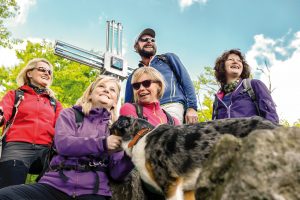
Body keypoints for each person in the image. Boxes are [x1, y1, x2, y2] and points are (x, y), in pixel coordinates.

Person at [0, 75, 134, 200]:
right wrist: (102, 143)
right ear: (90, 94)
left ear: (115, 102)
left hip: (93, 192)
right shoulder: (70, 114)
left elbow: (117, 173)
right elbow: (63, 144)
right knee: (5, 195)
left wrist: (129, 157)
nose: (106, 90)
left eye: (112, 90)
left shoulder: (115, 131)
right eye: (101, 86)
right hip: (54, 185)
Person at [0, 58, 63, 188]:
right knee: (9, 190)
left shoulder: (55, 104)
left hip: (45, 150)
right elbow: (3, 114)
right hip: (17, 147)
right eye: (42, 69)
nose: (47, 73)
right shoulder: (15, 95)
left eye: (49, 72)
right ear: (29, 73)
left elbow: (62, 129)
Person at [120, 67, 180, 200]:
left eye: (146, 83)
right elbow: (136, 143)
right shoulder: (129, 109)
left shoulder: (173, 120)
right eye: (136, 86)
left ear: (158, 85)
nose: (141, 88)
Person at [124, 28, 198, 124]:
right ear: (136, 46)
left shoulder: (167, 59)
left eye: (152, 40)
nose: (149, 41)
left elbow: (186, 82)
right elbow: (128, 103)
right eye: (144, 39)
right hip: (144, 113)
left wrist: (192, 107)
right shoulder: (133, 76)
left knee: (166, 133)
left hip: (171, 106)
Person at [212, 49, 279, 124]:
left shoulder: (254, 85)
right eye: (230, 59)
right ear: (222, 65)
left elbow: (271, 118)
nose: (236, 61)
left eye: (239, 60)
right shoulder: (218, 100)